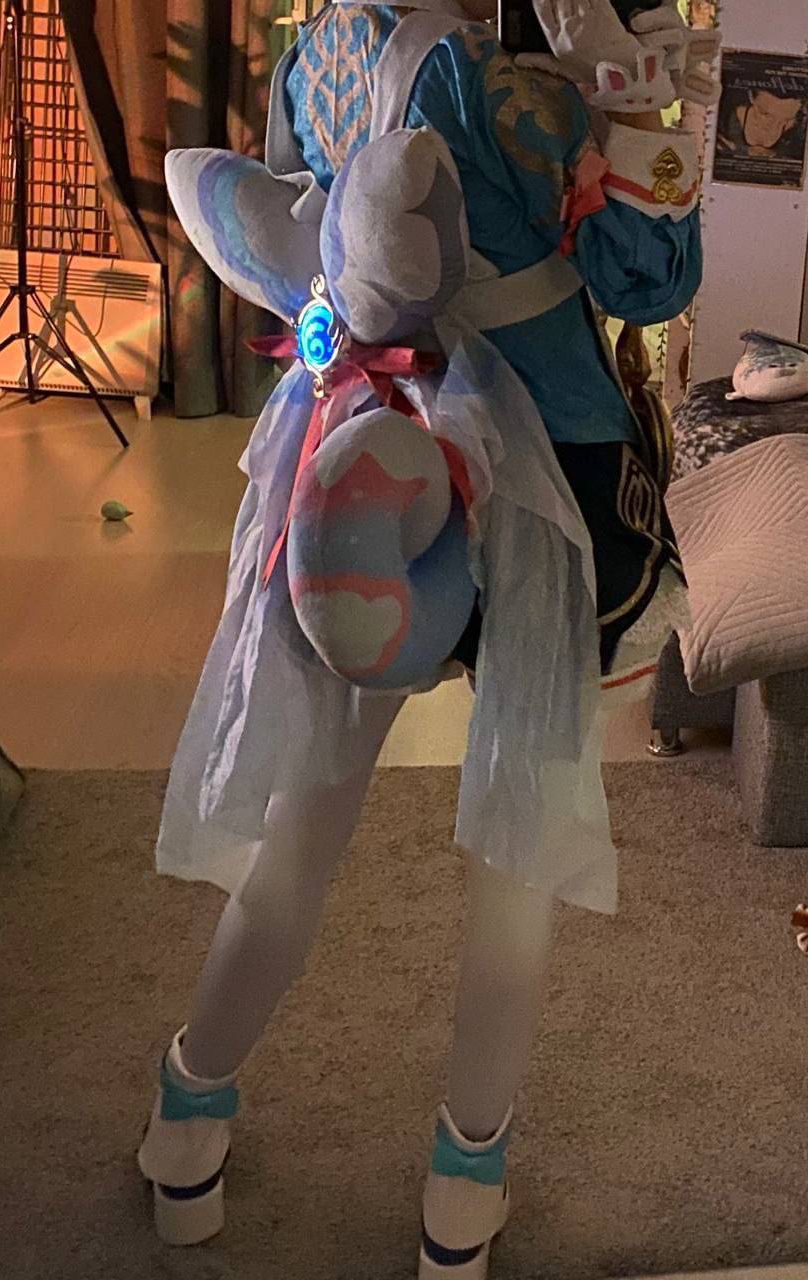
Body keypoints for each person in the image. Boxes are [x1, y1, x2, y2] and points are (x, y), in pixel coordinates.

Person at [137, 0, 719, 1275]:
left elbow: (295, 249)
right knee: (517, 854)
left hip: (362, 450)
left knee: (301, 831)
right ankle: (463, 1187)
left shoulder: (312, 57)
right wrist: (646, 114)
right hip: (542, 484)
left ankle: (188, 1116)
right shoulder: (523, 90)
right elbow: (651, 279)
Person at [718, 86, 805, 160]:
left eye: (785, 119)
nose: (773, 126)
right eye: (765, 114)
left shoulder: (800, 129)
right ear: (752, 97)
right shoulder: (723, 120)